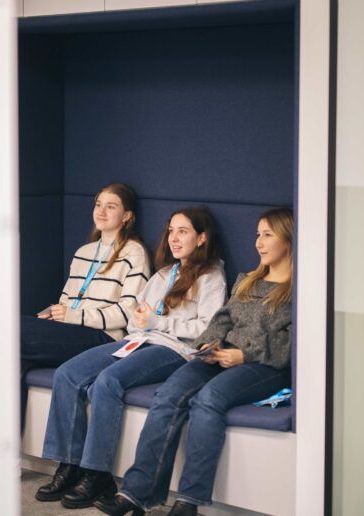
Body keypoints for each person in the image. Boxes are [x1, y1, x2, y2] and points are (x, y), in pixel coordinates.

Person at [95, 207, 293, 516]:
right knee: (168, 395)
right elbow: (221, 320)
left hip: (263, 365)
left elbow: (293, 343)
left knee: (208, 399)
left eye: (268, 235)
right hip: (219, 354)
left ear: (289, 240)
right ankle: (136, 493)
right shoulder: (248, 281)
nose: (259, 242)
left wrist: (244, 354)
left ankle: (188, 501)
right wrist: (208, 345)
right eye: (258, 234)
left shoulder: (298, 290)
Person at [35, 206, 228, 509]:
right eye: (171, 231)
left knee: (108, 381)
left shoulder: (212, 276)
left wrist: (157, 322)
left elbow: (206, 329)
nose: (174, 238)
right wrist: (140, 322)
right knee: (68, 373)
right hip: (137, 341)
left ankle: (96, 473)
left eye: (183, 232)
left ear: (202, 238)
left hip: (173, 349)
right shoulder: (163, 274)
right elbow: (136, 316)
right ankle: (68, 464)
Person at [21, 183, 150, 431]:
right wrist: (52, 314)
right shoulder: (84, 252)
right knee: (12, 358)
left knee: (14, 328)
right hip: (71, 329)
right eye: (98, 205)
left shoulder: (135, 253)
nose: (101, 211)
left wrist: (74, 316)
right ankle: (6, 444)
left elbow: (128, 313)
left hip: (104, 338)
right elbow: (66, 301)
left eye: (110, 207)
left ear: (126, 216)